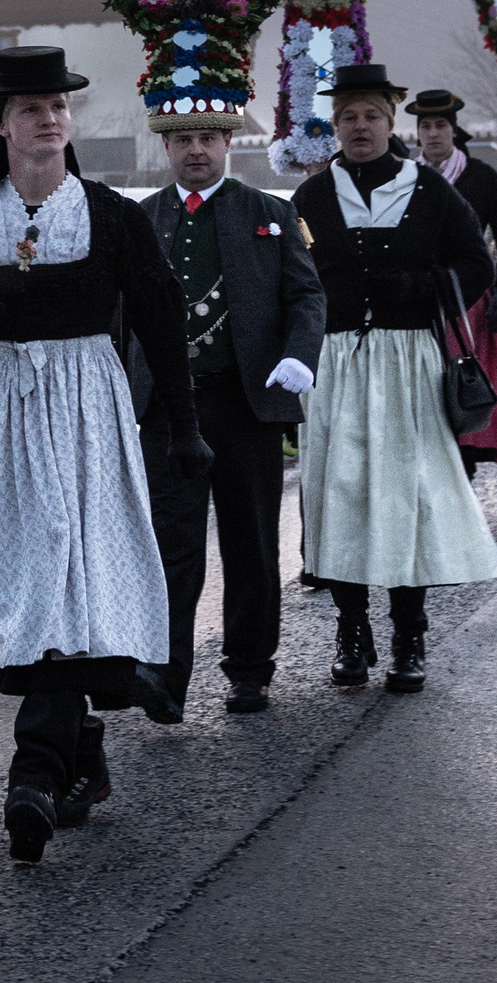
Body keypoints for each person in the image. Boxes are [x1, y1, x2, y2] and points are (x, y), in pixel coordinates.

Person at [0, 47, 203, 864]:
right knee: (33, 578)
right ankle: (77, 753)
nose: (47, 119)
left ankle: (36, 770)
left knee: (73, 576)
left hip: (88, 405)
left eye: (57, 105)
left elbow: (161, 318)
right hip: (3, 413)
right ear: (2, 122)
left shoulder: (110, 216)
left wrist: (184, 428)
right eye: (29, 108)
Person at [293, 65, 497, 694]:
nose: (360, 128)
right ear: (335, 126)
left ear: (391, 123)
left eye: (372, 116)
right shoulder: (311, 197)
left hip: (410, 359)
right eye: (349, 118)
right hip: (337, 362)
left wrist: (421, 287)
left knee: (408, 494)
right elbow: (290, 276)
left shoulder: (430, 191)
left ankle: (409, 633)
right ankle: (351, 631)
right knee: (343, 492)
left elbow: (475, 261)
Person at [128, 118, 324, 720]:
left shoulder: (268, 211)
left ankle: (249, 671)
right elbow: (119, 305)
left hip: (245, 402)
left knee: (252, 543)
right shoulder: (144, 218)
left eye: (207, 139)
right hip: (168, 407)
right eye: (183, 140)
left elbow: (307, 295)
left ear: (227, 145)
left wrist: (298, 353)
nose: (195, 150)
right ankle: (164, 674)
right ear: (165, 146)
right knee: (171, 544)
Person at [405, 90, 497, 474]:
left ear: (454, 131)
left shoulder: (482, 177)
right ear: (417, 133)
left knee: (462, 387)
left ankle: (463, 468)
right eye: (425, 126)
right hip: (414, 296)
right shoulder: (403, 175)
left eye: (440, 126)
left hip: (466, 297)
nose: (433, 134)